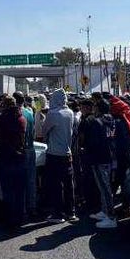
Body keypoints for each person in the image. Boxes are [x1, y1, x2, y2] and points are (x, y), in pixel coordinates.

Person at [42, 89, 76, 223]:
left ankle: (58, 213)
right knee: (69, 183)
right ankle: (71, 211)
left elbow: (45, 131)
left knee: (55, 184)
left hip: (54, 153)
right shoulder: (70, 112)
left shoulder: (53, 114)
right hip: (67, 152)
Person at [83, 99, 118, 229]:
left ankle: (111, 216)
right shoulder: (111, 120)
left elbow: (92, 143)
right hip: (109, 157)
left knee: (105, 188)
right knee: (105, 186)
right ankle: (105, 211)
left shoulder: (96, 123)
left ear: (98, 108)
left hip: (99, 158)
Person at [0, 95, 28, 228]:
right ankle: (20, 217)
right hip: (19, 156)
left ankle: (10, 218)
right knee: (20, 190)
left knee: (7, 190)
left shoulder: (0, 119)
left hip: (5, 156)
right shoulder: (22, 118)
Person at [14, 91, 38, 218]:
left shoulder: (16, 114)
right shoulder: (29, 113)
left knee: (20, 181)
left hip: (20, 150)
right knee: (31, 180)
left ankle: (22, 209)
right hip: (31, 148)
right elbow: (33, 132)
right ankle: (32, 207)